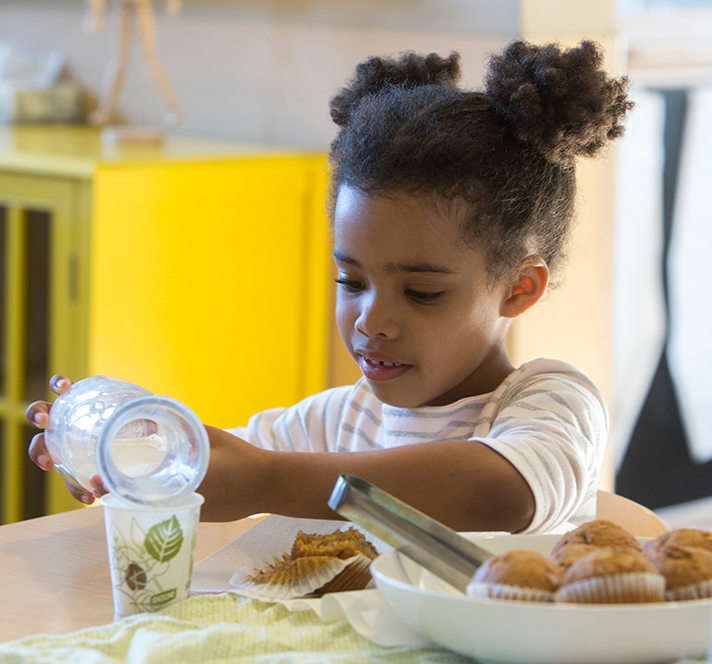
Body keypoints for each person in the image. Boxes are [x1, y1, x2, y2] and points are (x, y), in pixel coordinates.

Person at [27, 40, 633, 534]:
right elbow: (223, 463)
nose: (372, 320)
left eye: (421, 292)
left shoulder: (551, 403)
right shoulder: (340, 421)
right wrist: (130, 451)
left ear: (519, 288)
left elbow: (503, 493)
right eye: (352, 280)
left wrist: (266, 482)